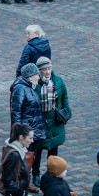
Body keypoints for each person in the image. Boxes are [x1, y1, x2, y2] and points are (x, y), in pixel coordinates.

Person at [33, 57, 68, 188]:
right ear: (39, 70)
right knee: (38, 150)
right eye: (44, 70)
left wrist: (67, 112)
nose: (47, 72)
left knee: (53, 150)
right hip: (41, 122)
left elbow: (64, 98)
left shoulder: (58, 80)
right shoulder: (35, 83)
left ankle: (51, 174)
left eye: (49, 68)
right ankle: (35, 174)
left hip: (55, 121)